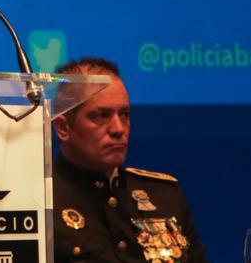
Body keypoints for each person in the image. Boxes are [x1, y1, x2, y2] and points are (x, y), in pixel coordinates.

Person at [52, 57, 207, 263]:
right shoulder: (40, 201)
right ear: (63, 128)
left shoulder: (165, 196)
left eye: (124, 114)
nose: (118, 128)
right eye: (101, 115)